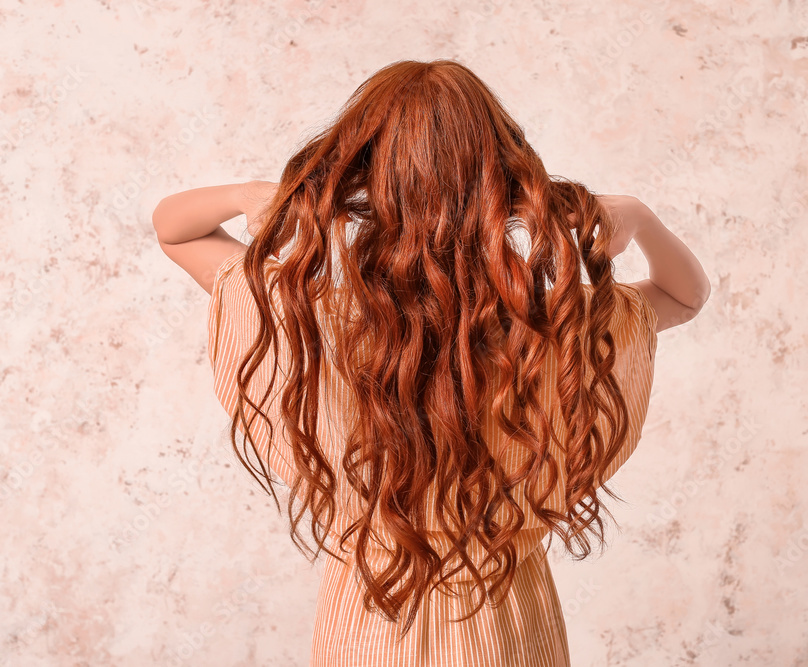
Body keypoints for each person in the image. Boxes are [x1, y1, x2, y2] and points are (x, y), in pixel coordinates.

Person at [152, 58, 710, 667]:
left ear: (364, 176)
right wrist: (639, 216)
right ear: (501, 177)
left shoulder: (313, 322)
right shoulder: (550, 337)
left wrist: (253, 195)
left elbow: (174, 229)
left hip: (369, 612)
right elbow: (685, 295)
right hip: (507, 619)